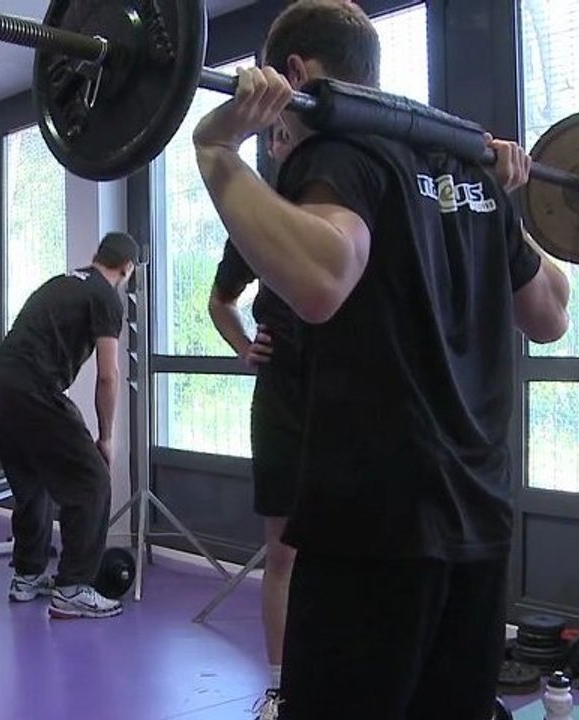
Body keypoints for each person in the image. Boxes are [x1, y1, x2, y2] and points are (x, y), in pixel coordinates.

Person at [192, 2, 570, 718]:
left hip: (375, 527)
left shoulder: (340, 153)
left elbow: (322, 279)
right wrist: (503, 206)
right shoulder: (465, 167)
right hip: (480, 524)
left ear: (292, 73)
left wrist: (217, 152)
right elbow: (551, 313)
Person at [0, 231, 138, 620]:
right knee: (93, 481)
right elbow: (108, 375)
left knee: (32, 482)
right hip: (33, 386)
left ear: (95, 254)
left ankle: (27, 576)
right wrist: (106, 437)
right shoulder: (106, 296)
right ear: (128, 268)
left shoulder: (64, 281)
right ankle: (73, 588)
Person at [207, 122, 298, 720]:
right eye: (276, 135)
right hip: (283, 400)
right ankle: (281, 690)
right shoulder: (255, 221)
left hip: (352, 400)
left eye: (290, 133)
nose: (282, 144)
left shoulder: (354, 207)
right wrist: (244, 347)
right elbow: (220, 302)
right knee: (283, 553)